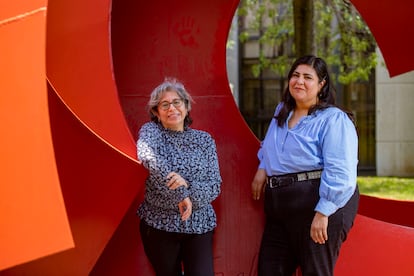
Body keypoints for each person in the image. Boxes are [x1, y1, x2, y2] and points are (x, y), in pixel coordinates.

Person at [251, 55, 359, 276]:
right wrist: (263, 168)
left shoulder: (333, 119)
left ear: (321, 85)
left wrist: (323, 212)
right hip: (279, 207)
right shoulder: (282, 112)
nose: (299, 81)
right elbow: (270, 146)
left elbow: (341, 170)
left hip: (317, 202)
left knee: (315, 272)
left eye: (307, 77)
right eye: (295, 75)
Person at [136, 77, 222, 276]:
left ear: (186, 106)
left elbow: (214, 185)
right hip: (159, 224)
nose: (171, 108)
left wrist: (188, 187)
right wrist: (181, 195)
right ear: (156, 113)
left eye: (177, 102)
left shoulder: (204, 140)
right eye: (164, 104)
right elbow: (148, 157)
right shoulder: (151, 132)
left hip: (199, 224)